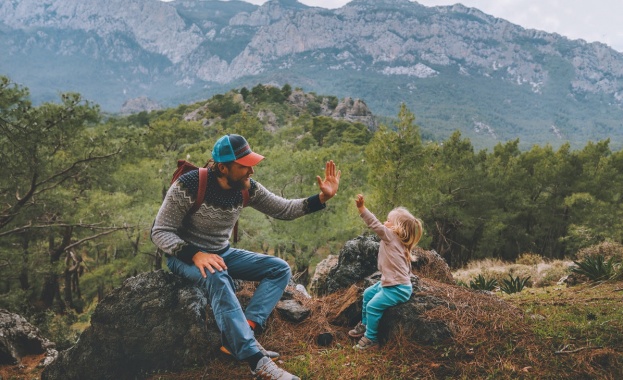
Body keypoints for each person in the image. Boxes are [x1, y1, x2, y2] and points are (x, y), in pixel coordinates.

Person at [151, 134, 340, 379]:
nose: (251, 170)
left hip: (221, 252)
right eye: (244, 165)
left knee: (279, 269)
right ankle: (256, 361)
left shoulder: (246, 188)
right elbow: (160, 231)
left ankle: (244, 333)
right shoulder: (189, 185)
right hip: (184, 256)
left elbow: (283, 208)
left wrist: (322, 198)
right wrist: (195, 254)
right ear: (223, 167)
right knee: (217, 276)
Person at [348, 194, 423, 350]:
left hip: (397, 288)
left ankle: (371, 339)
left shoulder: (390, 236)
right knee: (368, 294)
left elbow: (375, 224)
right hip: (390, 283)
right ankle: (366, 323)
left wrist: (362, 209)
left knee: (373, 307)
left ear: (397, 227)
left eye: (389, 220)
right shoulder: (400, 242)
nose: (385, 222)